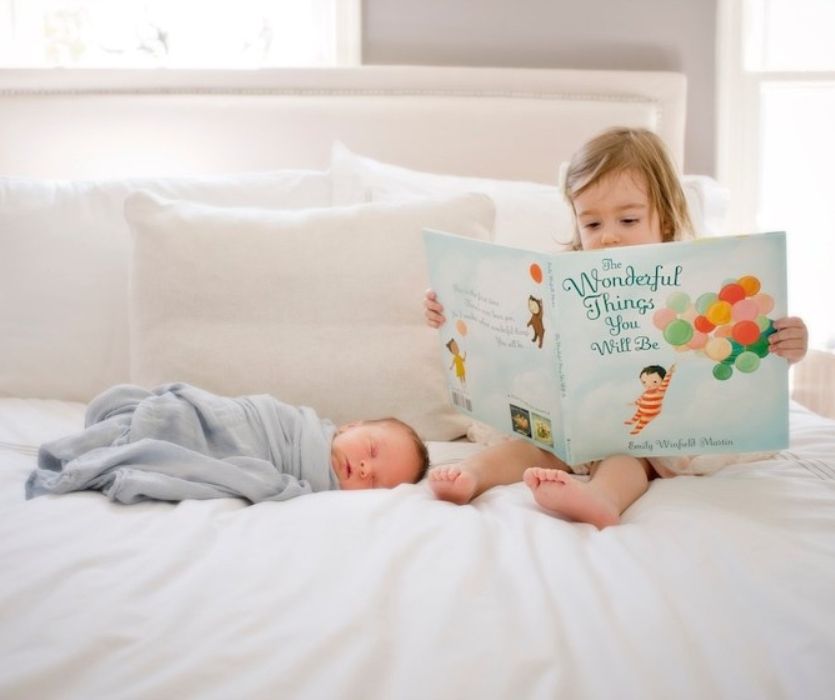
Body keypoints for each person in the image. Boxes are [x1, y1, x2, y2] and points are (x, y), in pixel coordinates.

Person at [423, 127, 809, 528]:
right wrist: (451, 311)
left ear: (667, 211)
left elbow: (738, 347)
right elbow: (504, 332)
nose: (608, 236)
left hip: (646, 434)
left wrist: (788, 344)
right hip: (574, 420)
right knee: (530, 445)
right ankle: (473, 474)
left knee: (627, 459)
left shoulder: (697, 276)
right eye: (591, 225)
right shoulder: (559, 280)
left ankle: (601, 497)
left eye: (628, 219)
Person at [27, 382, 429, 504]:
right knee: (171, 418)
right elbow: (252, 415)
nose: (363, 468)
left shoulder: (320, 494)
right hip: (231, 424)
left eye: (375, 481)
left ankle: (139, 440)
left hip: (250, 458)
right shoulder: (301, 425)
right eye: (371, 451)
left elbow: (260, 481)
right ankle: (144, 426)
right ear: (350, 426)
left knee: (176, 448)